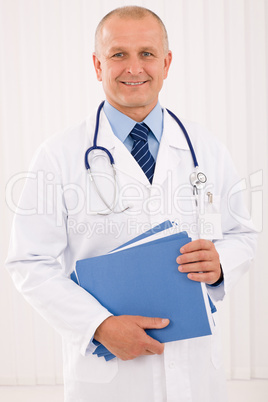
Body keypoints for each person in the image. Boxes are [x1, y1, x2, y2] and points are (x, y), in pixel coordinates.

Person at [6, 6, 257, 402]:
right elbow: (29, 262)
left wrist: (221, 263)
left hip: (194, 371)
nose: (134, 67)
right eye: (118, 54)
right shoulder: (58, 155)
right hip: (109, 378)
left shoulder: (206, 148)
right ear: (97, 64)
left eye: (147, 53)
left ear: (167, 62)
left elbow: (242, 234)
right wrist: (99, 325)